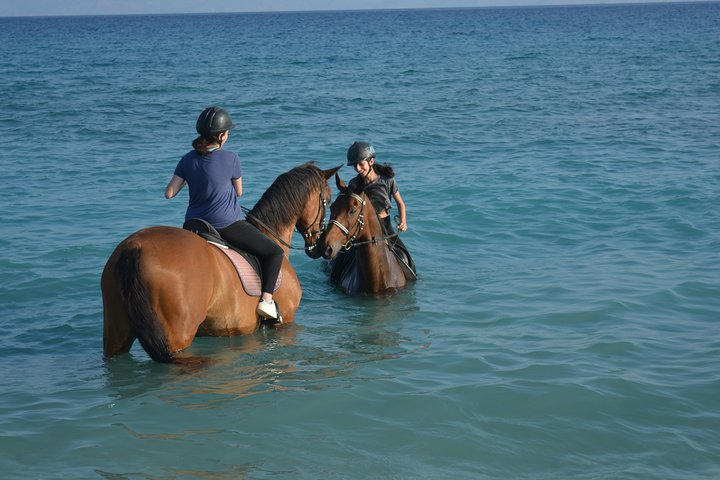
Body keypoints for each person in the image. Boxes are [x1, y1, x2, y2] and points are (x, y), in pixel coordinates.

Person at [165, 106, 283, 320]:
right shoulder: (231, 158)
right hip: (226, 225)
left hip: (193, 225)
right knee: (275, 252)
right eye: (227, 132)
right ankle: (266, 301)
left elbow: (169, 193)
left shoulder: (187, 159)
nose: (228, 135)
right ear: (220, 136)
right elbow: (239, 192)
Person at [345, 141, 415, 273]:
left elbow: (400, 203)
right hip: (362, 228)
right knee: (342, 257)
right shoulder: (354, 184)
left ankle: (413, 277)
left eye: (361, 164)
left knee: (405, 258)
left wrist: (403, 222)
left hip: (385, 225)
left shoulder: (387, 180)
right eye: (355, 166)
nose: (358, 169)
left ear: (371, 161)